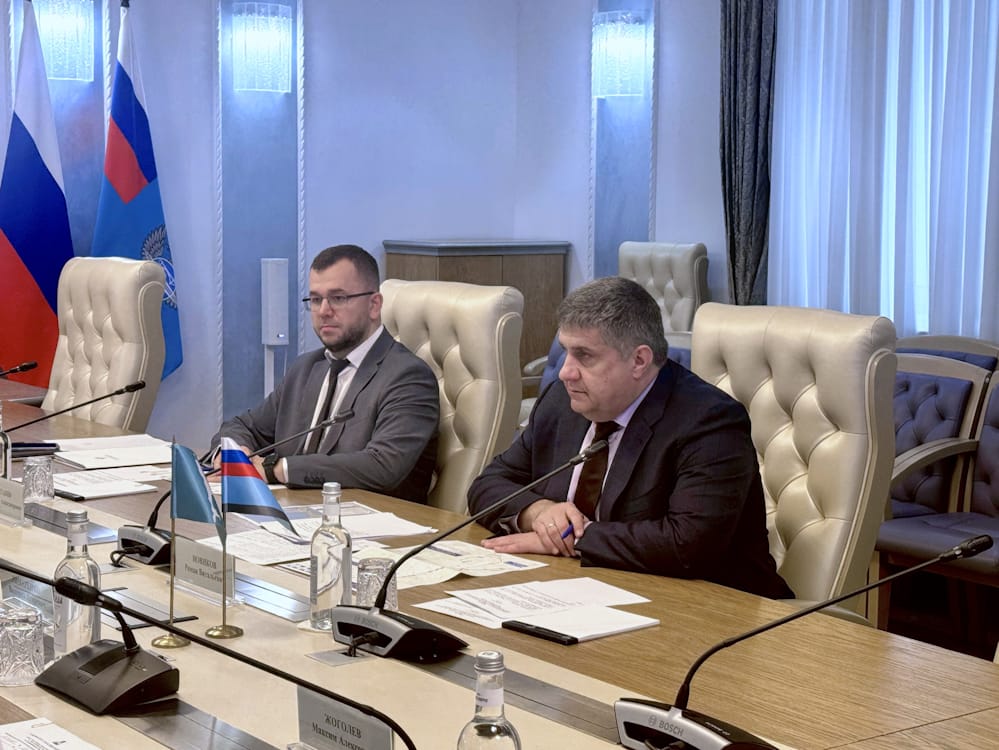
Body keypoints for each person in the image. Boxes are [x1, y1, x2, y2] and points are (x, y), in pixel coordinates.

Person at [467, 276, 793, 599]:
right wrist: (538, 512)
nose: (566, 372)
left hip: (712, 607)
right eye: (566, 352)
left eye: (584, 355)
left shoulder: (709, 421)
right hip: (582, 590)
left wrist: (572, 538)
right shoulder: (561, 402)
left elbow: (688, 544)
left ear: (639, 360)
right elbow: (487, 485)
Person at [214, 244, 439, 503]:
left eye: (338, 298)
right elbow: (242, 426)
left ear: (374, 305)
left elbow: (383, 465)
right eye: (315, 299)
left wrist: (276, 469)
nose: (323, 311)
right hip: (292, 514)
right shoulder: (306, 368)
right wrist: (234, 454)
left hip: (370, 522)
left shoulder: (408, 377)